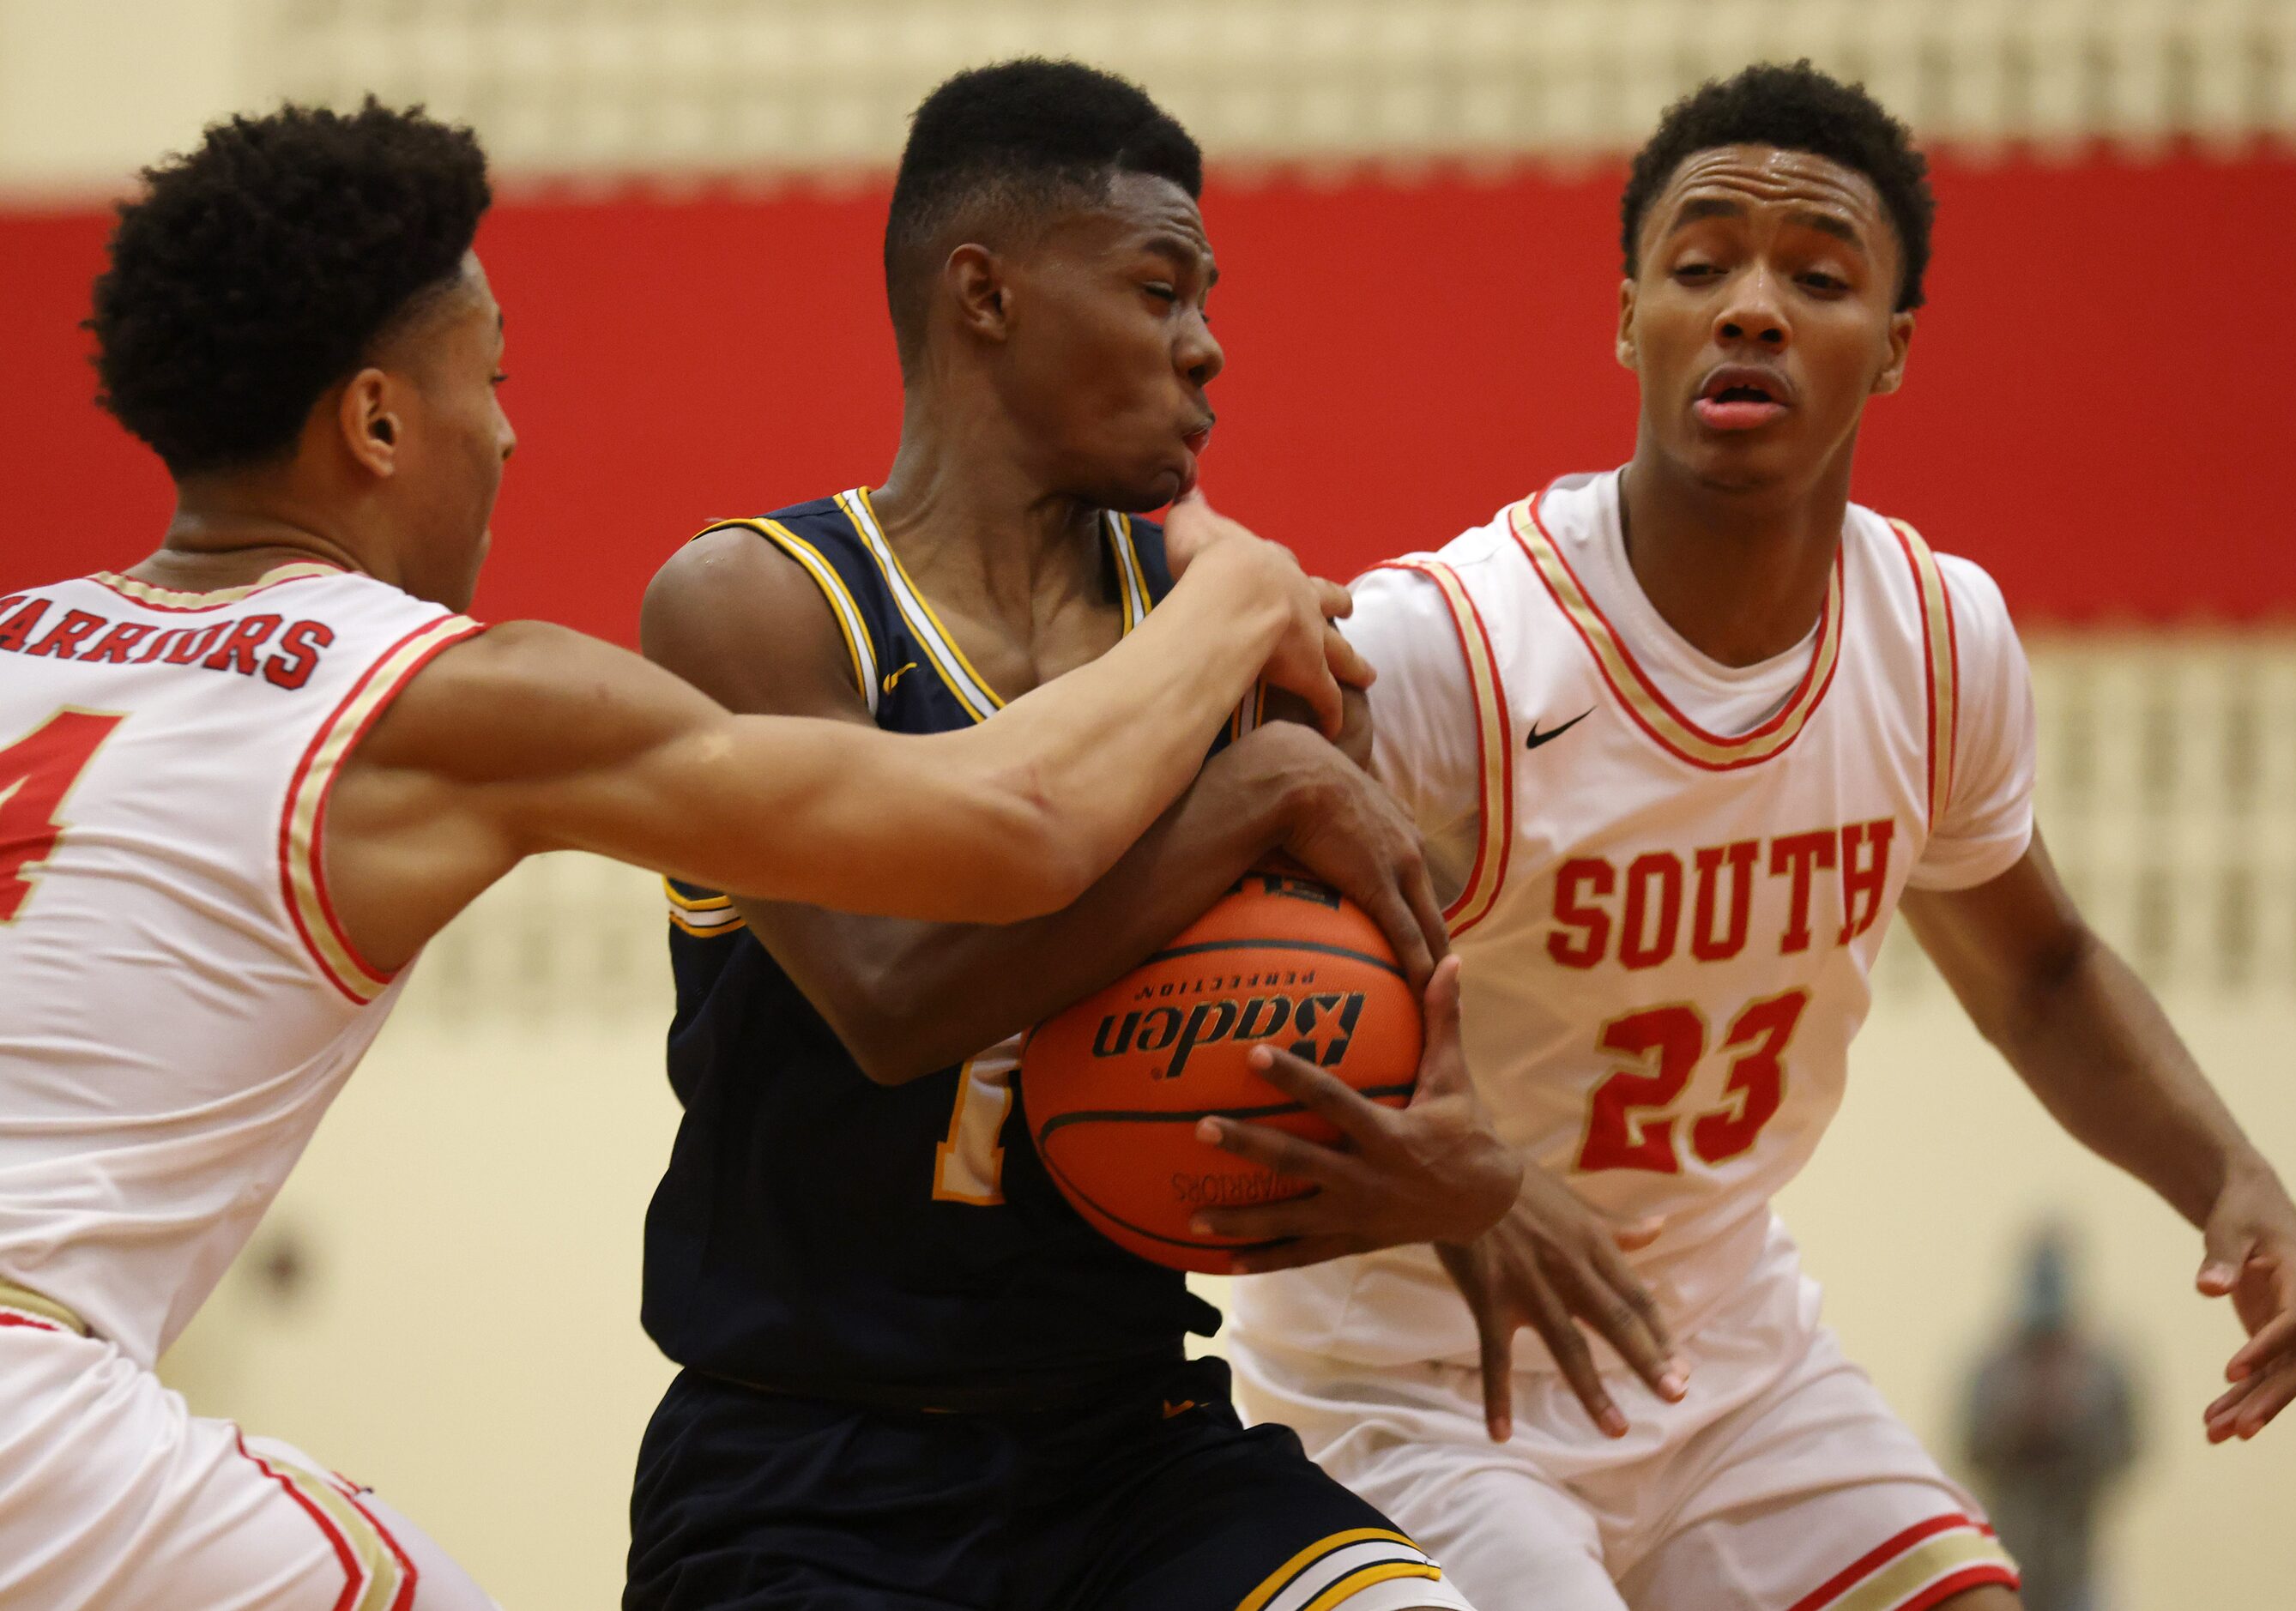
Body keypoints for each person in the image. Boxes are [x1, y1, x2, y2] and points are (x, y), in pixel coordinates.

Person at [0, 100, 1373, 1611]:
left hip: (1128, 1441)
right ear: (381, 422)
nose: (510, 431)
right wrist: (1236, 590)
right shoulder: (448, 692)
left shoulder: (15, 640)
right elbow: (1008, 829)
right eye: (493, 381)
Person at [1205, 62, 2296, 1611]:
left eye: (1815, 276)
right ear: (1626, 320)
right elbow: (1200, 988)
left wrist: (2229, 1174)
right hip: (1407, 1377)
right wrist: (1441, 1166)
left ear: (1894, 351)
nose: (1750, 306)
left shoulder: (1939, 642)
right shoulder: (1453, 653)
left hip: (1720, 1354)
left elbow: (2042, 969)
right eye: (1700, 263)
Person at [626, 59, 1518, 1611]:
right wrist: (1249, 794)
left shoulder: (1224, 627)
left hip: (1134, 1444)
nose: (1208, 345)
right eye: (1159, 286)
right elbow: (895, 996)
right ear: (986, 294)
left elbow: (1351, 1000)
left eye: (1206, 299)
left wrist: (1422, 1169)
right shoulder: (754, 603)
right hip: (809, 1466)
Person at [1962, 1229, 2141, 1611]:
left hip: (2079, 1554)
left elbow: (2127, 1450)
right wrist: (2019, 1426)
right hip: (2010, 1549)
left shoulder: (2101, 1371)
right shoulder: (1994, 1370)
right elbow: (1972, 1449)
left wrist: (2074, 1431)